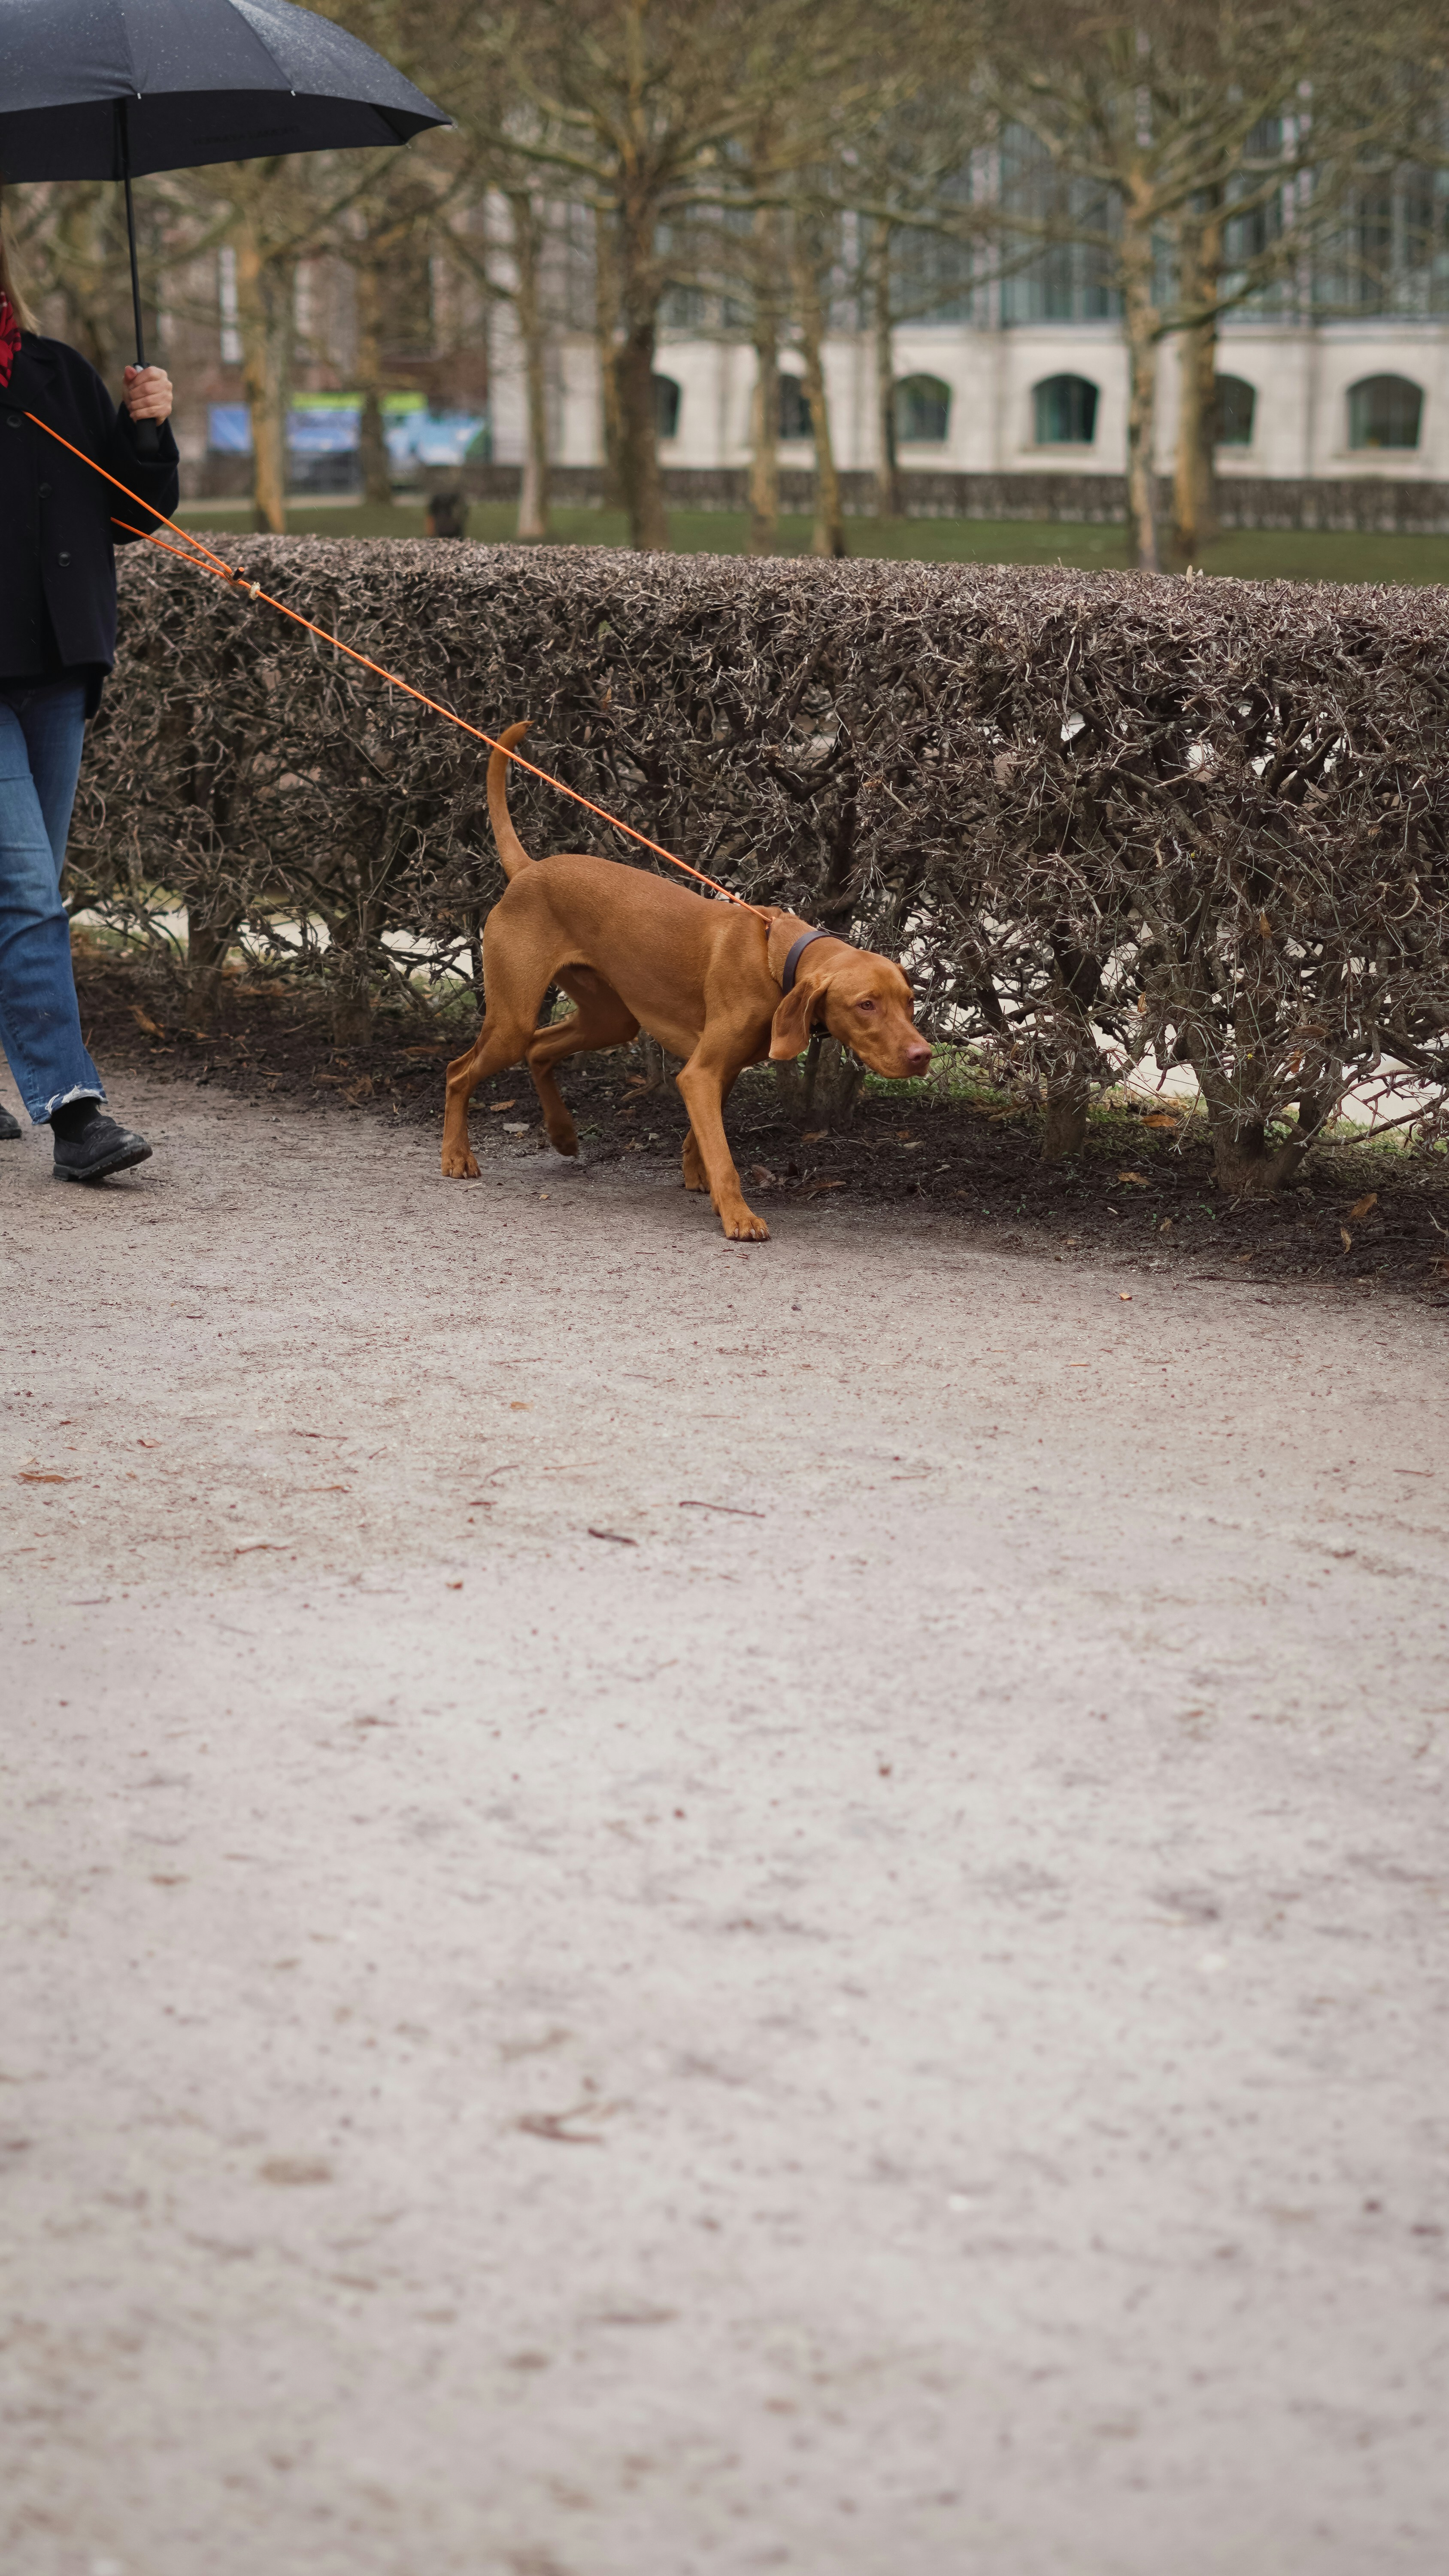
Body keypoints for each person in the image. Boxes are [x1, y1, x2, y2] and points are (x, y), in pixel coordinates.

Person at [0, 223, 179, 1182]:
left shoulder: (56, 372)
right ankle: (74, 1114)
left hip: (60, 669)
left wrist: (146, 426)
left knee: (17, 889)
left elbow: (129, 512)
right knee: (27, 891)